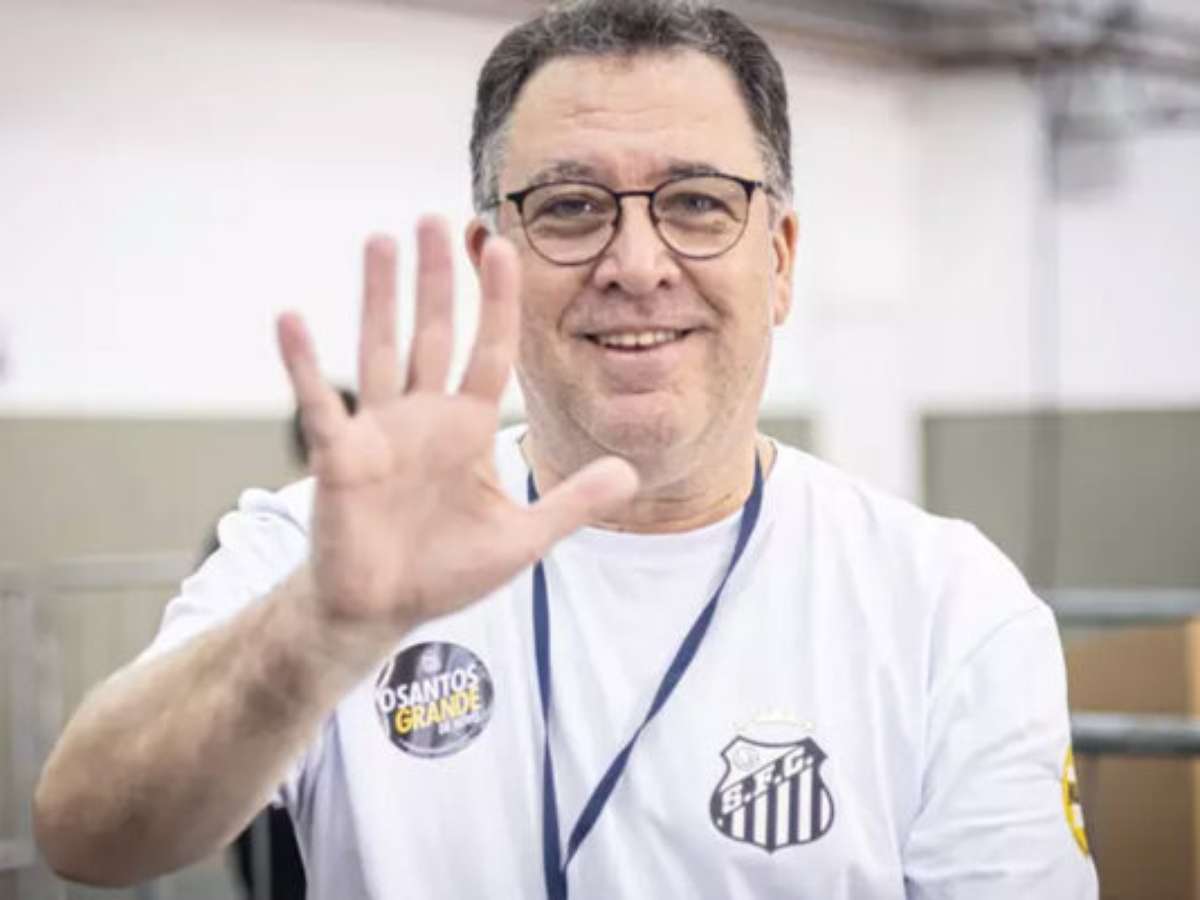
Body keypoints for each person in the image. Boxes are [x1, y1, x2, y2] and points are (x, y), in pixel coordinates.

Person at [33, 1, 1098, 897]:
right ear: (492, 258)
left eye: (696, 203)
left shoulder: (947, 606)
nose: (636, 263)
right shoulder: (330, 555)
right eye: (571, 207)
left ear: (779, 260)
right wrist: (319, 631)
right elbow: (85, 833)